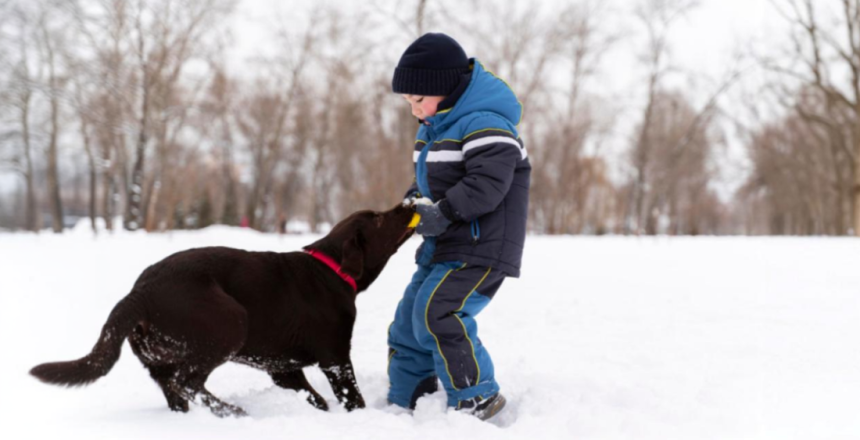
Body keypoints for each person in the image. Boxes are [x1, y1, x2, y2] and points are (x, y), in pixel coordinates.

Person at [386, 32, 531, 421]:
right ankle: (409, 396)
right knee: (408, 320)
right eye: (408, 103)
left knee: (439, 313)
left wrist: (443, 213)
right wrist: (413, 203)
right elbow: (430, 182)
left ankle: (476, 397)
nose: (415, 110)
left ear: (444, 89)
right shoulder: (434, 129)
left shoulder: (486, 123)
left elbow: (487, 185)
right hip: (445, 246)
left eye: (418, 100)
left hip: (482, 247)